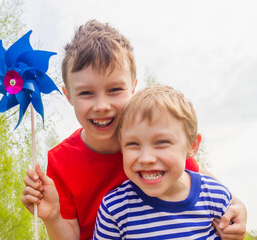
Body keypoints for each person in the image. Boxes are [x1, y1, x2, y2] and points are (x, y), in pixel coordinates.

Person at [21, 20, 247, 240]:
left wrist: (238, 206)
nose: (101, 106)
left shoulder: (156, 145)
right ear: (68, 95)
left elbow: (195, 177)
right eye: (86, 93)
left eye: (115, 89)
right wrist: (52, 217)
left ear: (133, 87)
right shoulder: (62, 161)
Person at [93, 84, 232, 239]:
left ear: (192, 146)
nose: (146, 158)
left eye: (161, 143)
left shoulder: (216, 197)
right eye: (133, 144)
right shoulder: (115, 209)